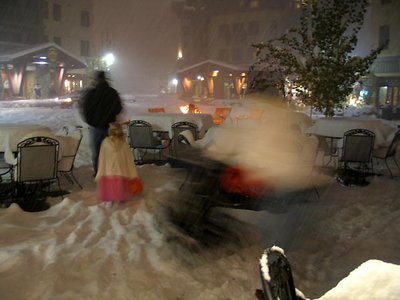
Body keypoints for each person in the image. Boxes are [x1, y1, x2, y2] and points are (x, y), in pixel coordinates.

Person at [80, 71, 123, 176]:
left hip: (96, 128)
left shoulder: (91, 93)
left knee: (97, 152)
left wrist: (92, 121)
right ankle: (110, 171)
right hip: (110, 126)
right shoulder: (112, 93)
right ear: (105, 79)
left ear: (96, 80)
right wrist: (110, 117)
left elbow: (84, 109)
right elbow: (118, 108)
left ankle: (98, 172)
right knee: (111, 151)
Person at [95, 123, 142, 202]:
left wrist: (100, 173)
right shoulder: (124, 145)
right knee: (121, 190)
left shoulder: (105, 143)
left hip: (108, 173)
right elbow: (129, 161)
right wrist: (133, 175)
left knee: (110, 189)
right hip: (121, 173)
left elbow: (102, 160)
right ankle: (120, 198)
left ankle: (111, 197)